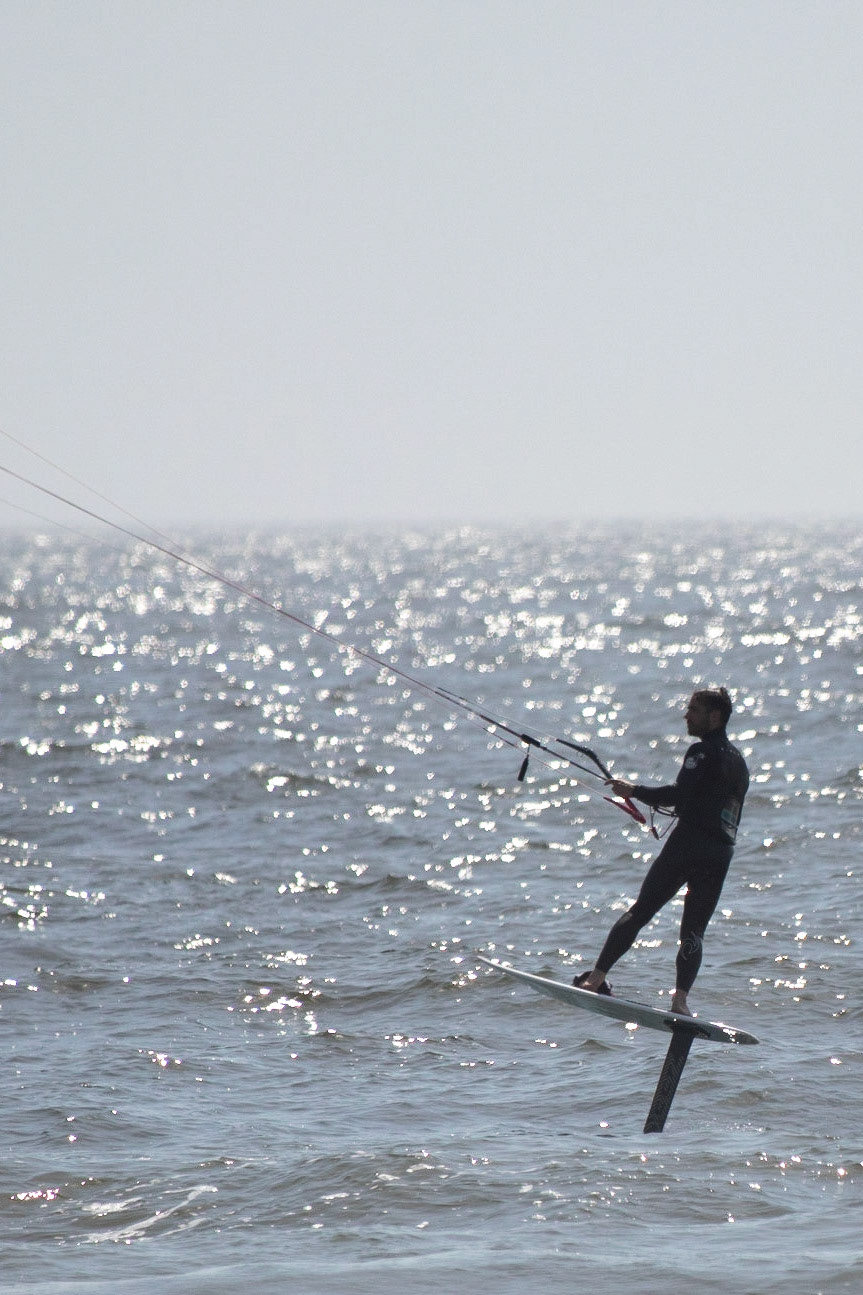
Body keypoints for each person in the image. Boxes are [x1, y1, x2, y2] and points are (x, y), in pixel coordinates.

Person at [573, 687, 749, 1017]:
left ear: (715, 717)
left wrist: (634, 791)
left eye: (694, 710)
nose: (686, 715)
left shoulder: (701, 751)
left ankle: (595, 980)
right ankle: (680, 1001)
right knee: (694, 932)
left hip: (688, 846)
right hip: (721, 853)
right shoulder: (740, 762)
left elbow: (679, 796)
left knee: (641, 911)